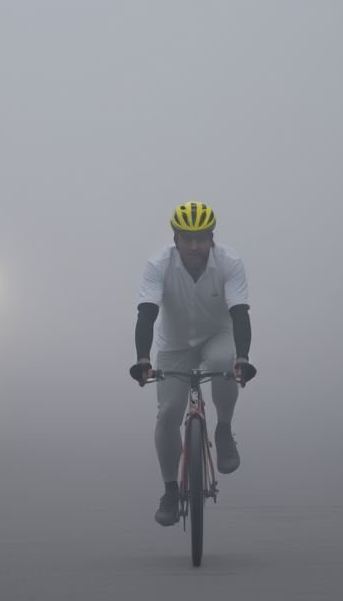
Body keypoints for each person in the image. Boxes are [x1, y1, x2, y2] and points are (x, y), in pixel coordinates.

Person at [129, 201, 257, 527]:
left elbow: (239, 313)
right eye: (188, 238)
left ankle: (223, 429)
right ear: (176, 238)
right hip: (175, 345)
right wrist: (143, 359)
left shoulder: (230, 263)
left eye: (202, 238)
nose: (195, 246)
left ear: (212, 237)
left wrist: (243, 358)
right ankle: (171, 491)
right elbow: (147, 313)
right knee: (168, 414)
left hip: (218, 334)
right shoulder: (158, 265)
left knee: (225, 363)